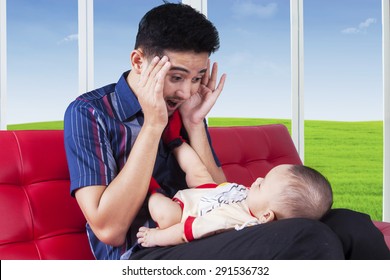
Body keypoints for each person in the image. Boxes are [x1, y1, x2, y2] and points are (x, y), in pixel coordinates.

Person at [64, 3, 389, 260]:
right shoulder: (89, 113)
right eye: (176, 77)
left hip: (215, 230)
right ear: (139, 61)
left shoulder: (185, 108)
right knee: (308, 236)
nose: (188, 92)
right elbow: (109, 230)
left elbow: (221, 193)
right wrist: (152, 125)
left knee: (352, 224)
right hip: (149, 251)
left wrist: (194, 124)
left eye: (197, 78)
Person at [137, 111, 333, 247]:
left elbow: (184, 232)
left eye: (262, 184)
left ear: (266, 216)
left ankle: (149, 185)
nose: (256, 179)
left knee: (165, 214)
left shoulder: (230, 221)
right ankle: (175, 141)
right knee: (198, 171)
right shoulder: (259, 202)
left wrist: (156, 237)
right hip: (211, 192)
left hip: (186, 212)